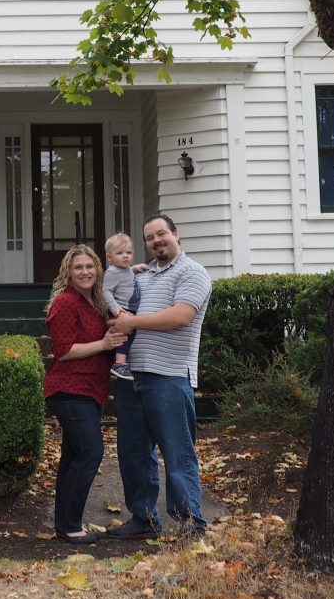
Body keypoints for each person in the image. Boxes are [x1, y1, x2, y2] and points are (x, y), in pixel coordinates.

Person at [105, 213, 212, 539]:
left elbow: (181, 316)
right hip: (130, 377)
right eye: (150, 238)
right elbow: (112, 292)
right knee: (134, 454)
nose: (156, 241)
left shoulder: (193, 272)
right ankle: (144, 521)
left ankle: (191, 525)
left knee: (178, 454)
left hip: (169, 377)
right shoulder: (140, 274)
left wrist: (132, 323)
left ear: (176, 235)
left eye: (161, 234)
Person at [43, 244, 126, 545]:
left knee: (73, 456)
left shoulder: (94, 301)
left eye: (90, 267)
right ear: (68, 271)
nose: (85, 271)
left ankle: (65, 524)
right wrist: (104, 345)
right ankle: (70, 525)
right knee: (91, 452)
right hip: (69, 389)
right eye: (78, 267)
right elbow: (64, 352)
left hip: (89, 390)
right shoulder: (66, 302)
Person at [102, 231, 147, 382]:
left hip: (129, 307)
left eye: (129, 252)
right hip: (120, 308)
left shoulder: (125, 269)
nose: (125, 256)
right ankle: (119, 363)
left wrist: (135, 268)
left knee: (130, 333)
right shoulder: (112, 272)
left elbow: (128, 274)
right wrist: (114, 308)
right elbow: (106, 291)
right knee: (125, 335)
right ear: (110, 257)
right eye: (120, 253)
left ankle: (121, 361)